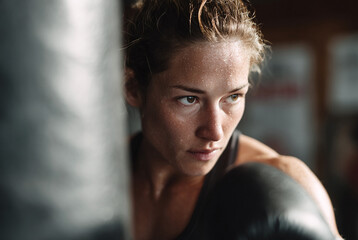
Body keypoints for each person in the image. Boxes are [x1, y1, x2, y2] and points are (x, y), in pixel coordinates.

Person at [123, 0, 342, 239]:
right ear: (133, 88)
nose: (214, 131)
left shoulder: (287, 182)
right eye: (189, 99)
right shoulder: (93, 178)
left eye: (233, 96)